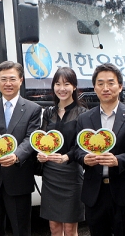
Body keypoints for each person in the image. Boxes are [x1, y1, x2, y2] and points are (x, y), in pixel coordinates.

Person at [75, 63, 125, 236]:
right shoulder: (84, 118)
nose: (106, 88)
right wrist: (84, 158)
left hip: (124, 190)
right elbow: (77, 149)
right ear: (95, 87)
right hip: (95, 192)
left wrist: (117, 160)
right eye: (100, 83)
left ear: (120, 86)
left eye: (111, 83)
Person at [0, 61, 42, 236]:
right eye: (3, 79)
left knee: (21, 229)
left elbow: (32, 137)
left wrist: (16, 155)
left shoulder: (33, 109)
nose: (8, 83)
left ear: (21, 80)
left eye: (12, 79)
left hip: (18, 178)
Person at [37, 67, 87, 236]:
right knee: (54, 227)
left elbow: (82, 145)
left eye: (66, 84)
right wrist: (41, 154)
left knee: (70, 228)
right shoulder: (48, 113)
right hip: (51, 174)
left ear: (74, 86)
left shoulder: (83, 114)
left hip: (71, 174)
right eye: (57, 84)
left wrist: (67, 156)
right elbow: (42, 141)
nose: (62, 88)